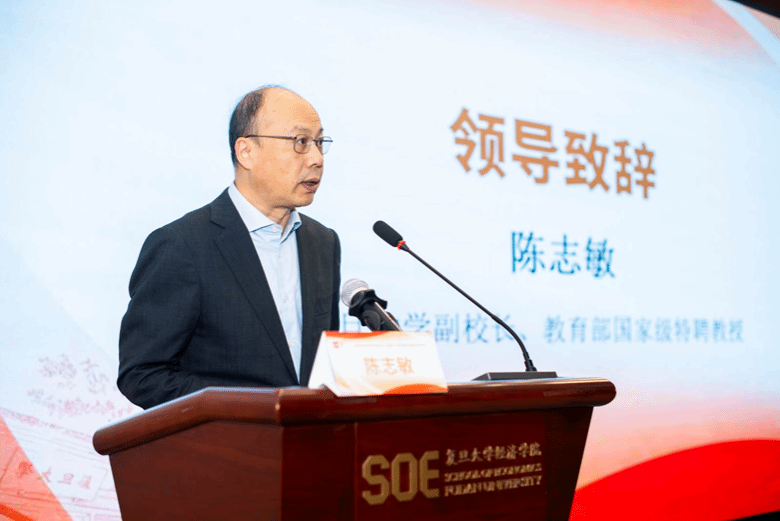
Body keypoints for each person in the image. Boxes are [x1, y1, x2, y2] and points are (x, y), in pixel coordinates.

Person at [117, 86, 340, 409]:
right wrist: (243, 409)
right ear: (246, 151)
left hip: (306, 437)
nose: (317, 159)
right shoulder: (183, 245)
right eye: (300, 142)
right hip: (227, 438)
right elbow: (142, 374)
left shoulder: (323, 242)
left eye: (319, 143)